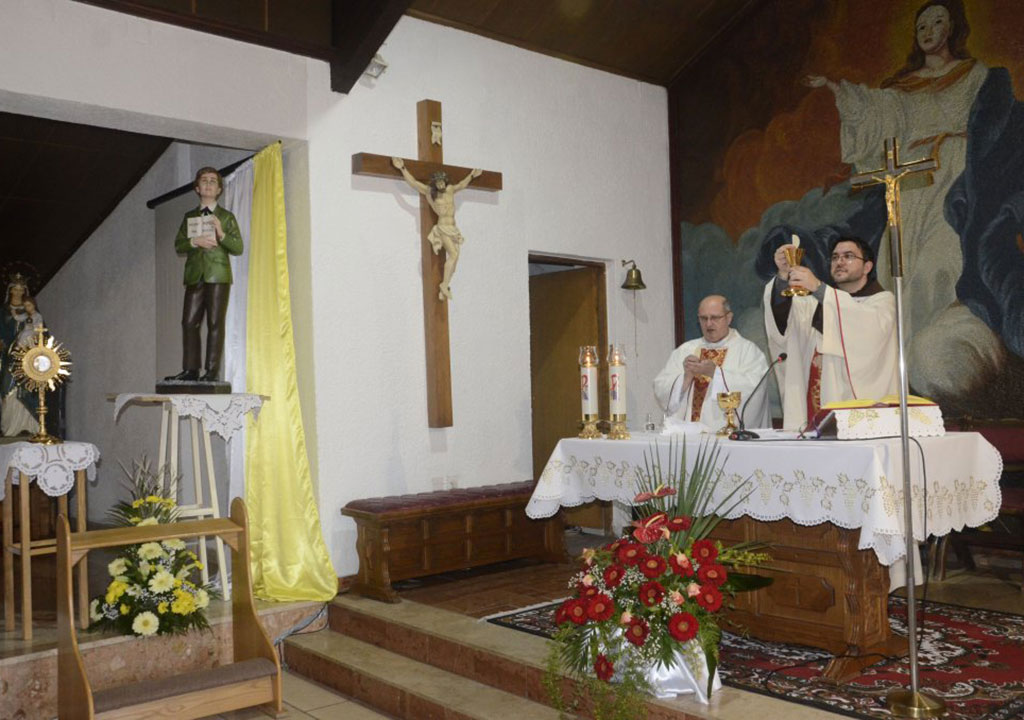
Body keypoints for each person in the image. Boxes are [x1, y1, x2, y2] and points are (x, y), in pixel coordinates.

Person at [802, 0, 1007, 401]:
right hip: (908, 187)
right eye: (921, 25)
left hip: (952, 183)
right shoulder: (903, 87)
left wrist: (961, 149)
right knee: (900, 266)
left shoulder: (974, 75)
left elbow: (992, 124)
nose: (928, 31)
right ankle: (900, 366)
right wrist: (836, 88)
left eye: (937, 22)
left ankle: (939, 344)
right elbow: (877, 113)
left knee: (938, 262)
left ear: (952, 28)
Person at [765, 236, 898, 431]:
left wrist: (819, 288)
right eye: (835, 257)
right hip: (814, 408)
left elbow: (865, 328)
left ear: (867, 267)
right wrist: (783, 278)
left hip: (861, 420)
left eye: (848, 256)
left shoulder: (883, 302)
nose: (839, 262)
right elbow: (784, 319)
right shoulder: (817, 303)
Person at [165, 167, 243, 383]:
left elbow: (238, 247)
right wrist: (194, 241)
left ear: (219, 190)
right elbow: (179, 244)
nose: (208, 184)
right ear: (197, 188)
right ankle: (190, 369)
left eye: (213, 181)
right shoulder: (189, 217)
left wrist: (221, 233)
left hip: (218, 275)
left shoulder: (226, 217)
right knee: (188, 322)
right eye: (204, 181)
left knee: (215, 323)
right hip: (194, 275)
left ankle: (211, 371)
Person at [654, 295, 771, 431]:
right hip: (689, 434)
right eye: (703, 318)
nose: (708, 324)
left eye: (715, 318)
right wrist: (685, 378)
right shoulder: (685, 350)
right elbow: (660, 386)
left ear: (729, 318)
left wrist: (715, 373)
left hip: (728, 437)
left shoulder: (748, 351)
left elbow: (756, 389)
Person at [391, 157, 482, 301]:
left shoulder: (450, 190)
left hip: (453, 228)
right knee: (453, 255)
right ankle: (443, 286)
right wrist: (402, 168)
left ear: (445, 181)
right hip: (443, 228)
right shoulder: (430, 192)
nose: (441, 184)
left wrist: (472, 175)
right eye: (438, 182)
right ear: (435, 183)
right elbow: (413, 183)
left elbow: (461, 185)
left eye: (442, 182)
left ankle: (444, 287)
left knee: (454, 263)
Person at [1, 292, 42, 436]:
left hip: (28, 357)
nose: (27, 308)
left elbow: (40, 332)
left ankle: (30, 426)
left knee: (27, 389)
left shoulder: (37, 317)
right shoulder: (24, 318)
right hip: (13, 358)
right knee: (7, 389)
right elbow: (17, 319)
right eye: (26, 306)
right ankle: (10, 427)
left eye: (29, 305)